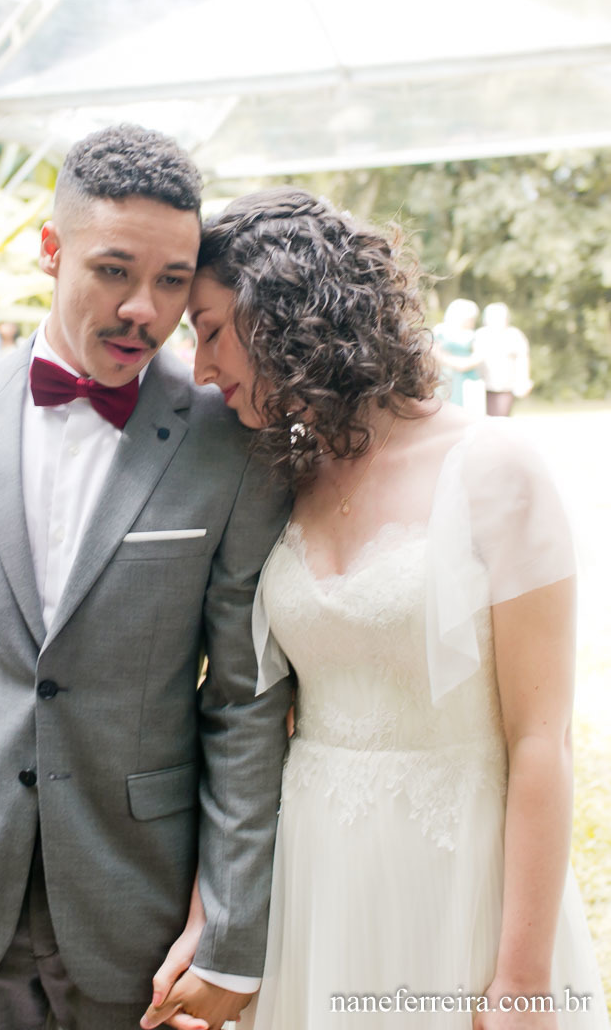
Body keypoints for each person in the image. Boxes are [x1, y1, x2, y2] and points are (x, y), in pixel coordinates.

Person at [0, 126, 291, 1030]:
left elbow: (242, 703)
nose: (143, 308)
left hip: (139, 905)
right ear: (51, 250)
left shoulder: (228, 441)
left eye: (172, 281)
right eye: (113, 270)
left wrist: (230, 930)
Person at [145, 188, 608, 1029]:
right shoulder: (279, 477)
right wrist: (215, 915)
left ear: (280, 311)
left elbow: (541, 742)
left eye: (209, 331)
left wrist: (521, 978)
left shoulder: (495, 469)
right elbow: (253, 721)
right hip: (314, 880)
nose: (201, 369)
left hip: (455, 879)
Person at [475, 302, 533, 417]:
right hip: (482, 384)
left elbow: (522, 358)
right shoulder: (480, 334)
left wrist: (523, 380)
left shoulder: (514, 334)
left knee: (501, 417)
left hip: (505, 385)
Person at [433, 297, 486, 416]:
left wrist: (458, 364)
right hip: (445, 376)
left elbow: (478, 357)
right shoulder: (440, 331)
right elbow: (435, 353)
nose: (472, 321)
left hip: (467, 378)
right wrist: (454, 363)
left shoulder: (474, 335)